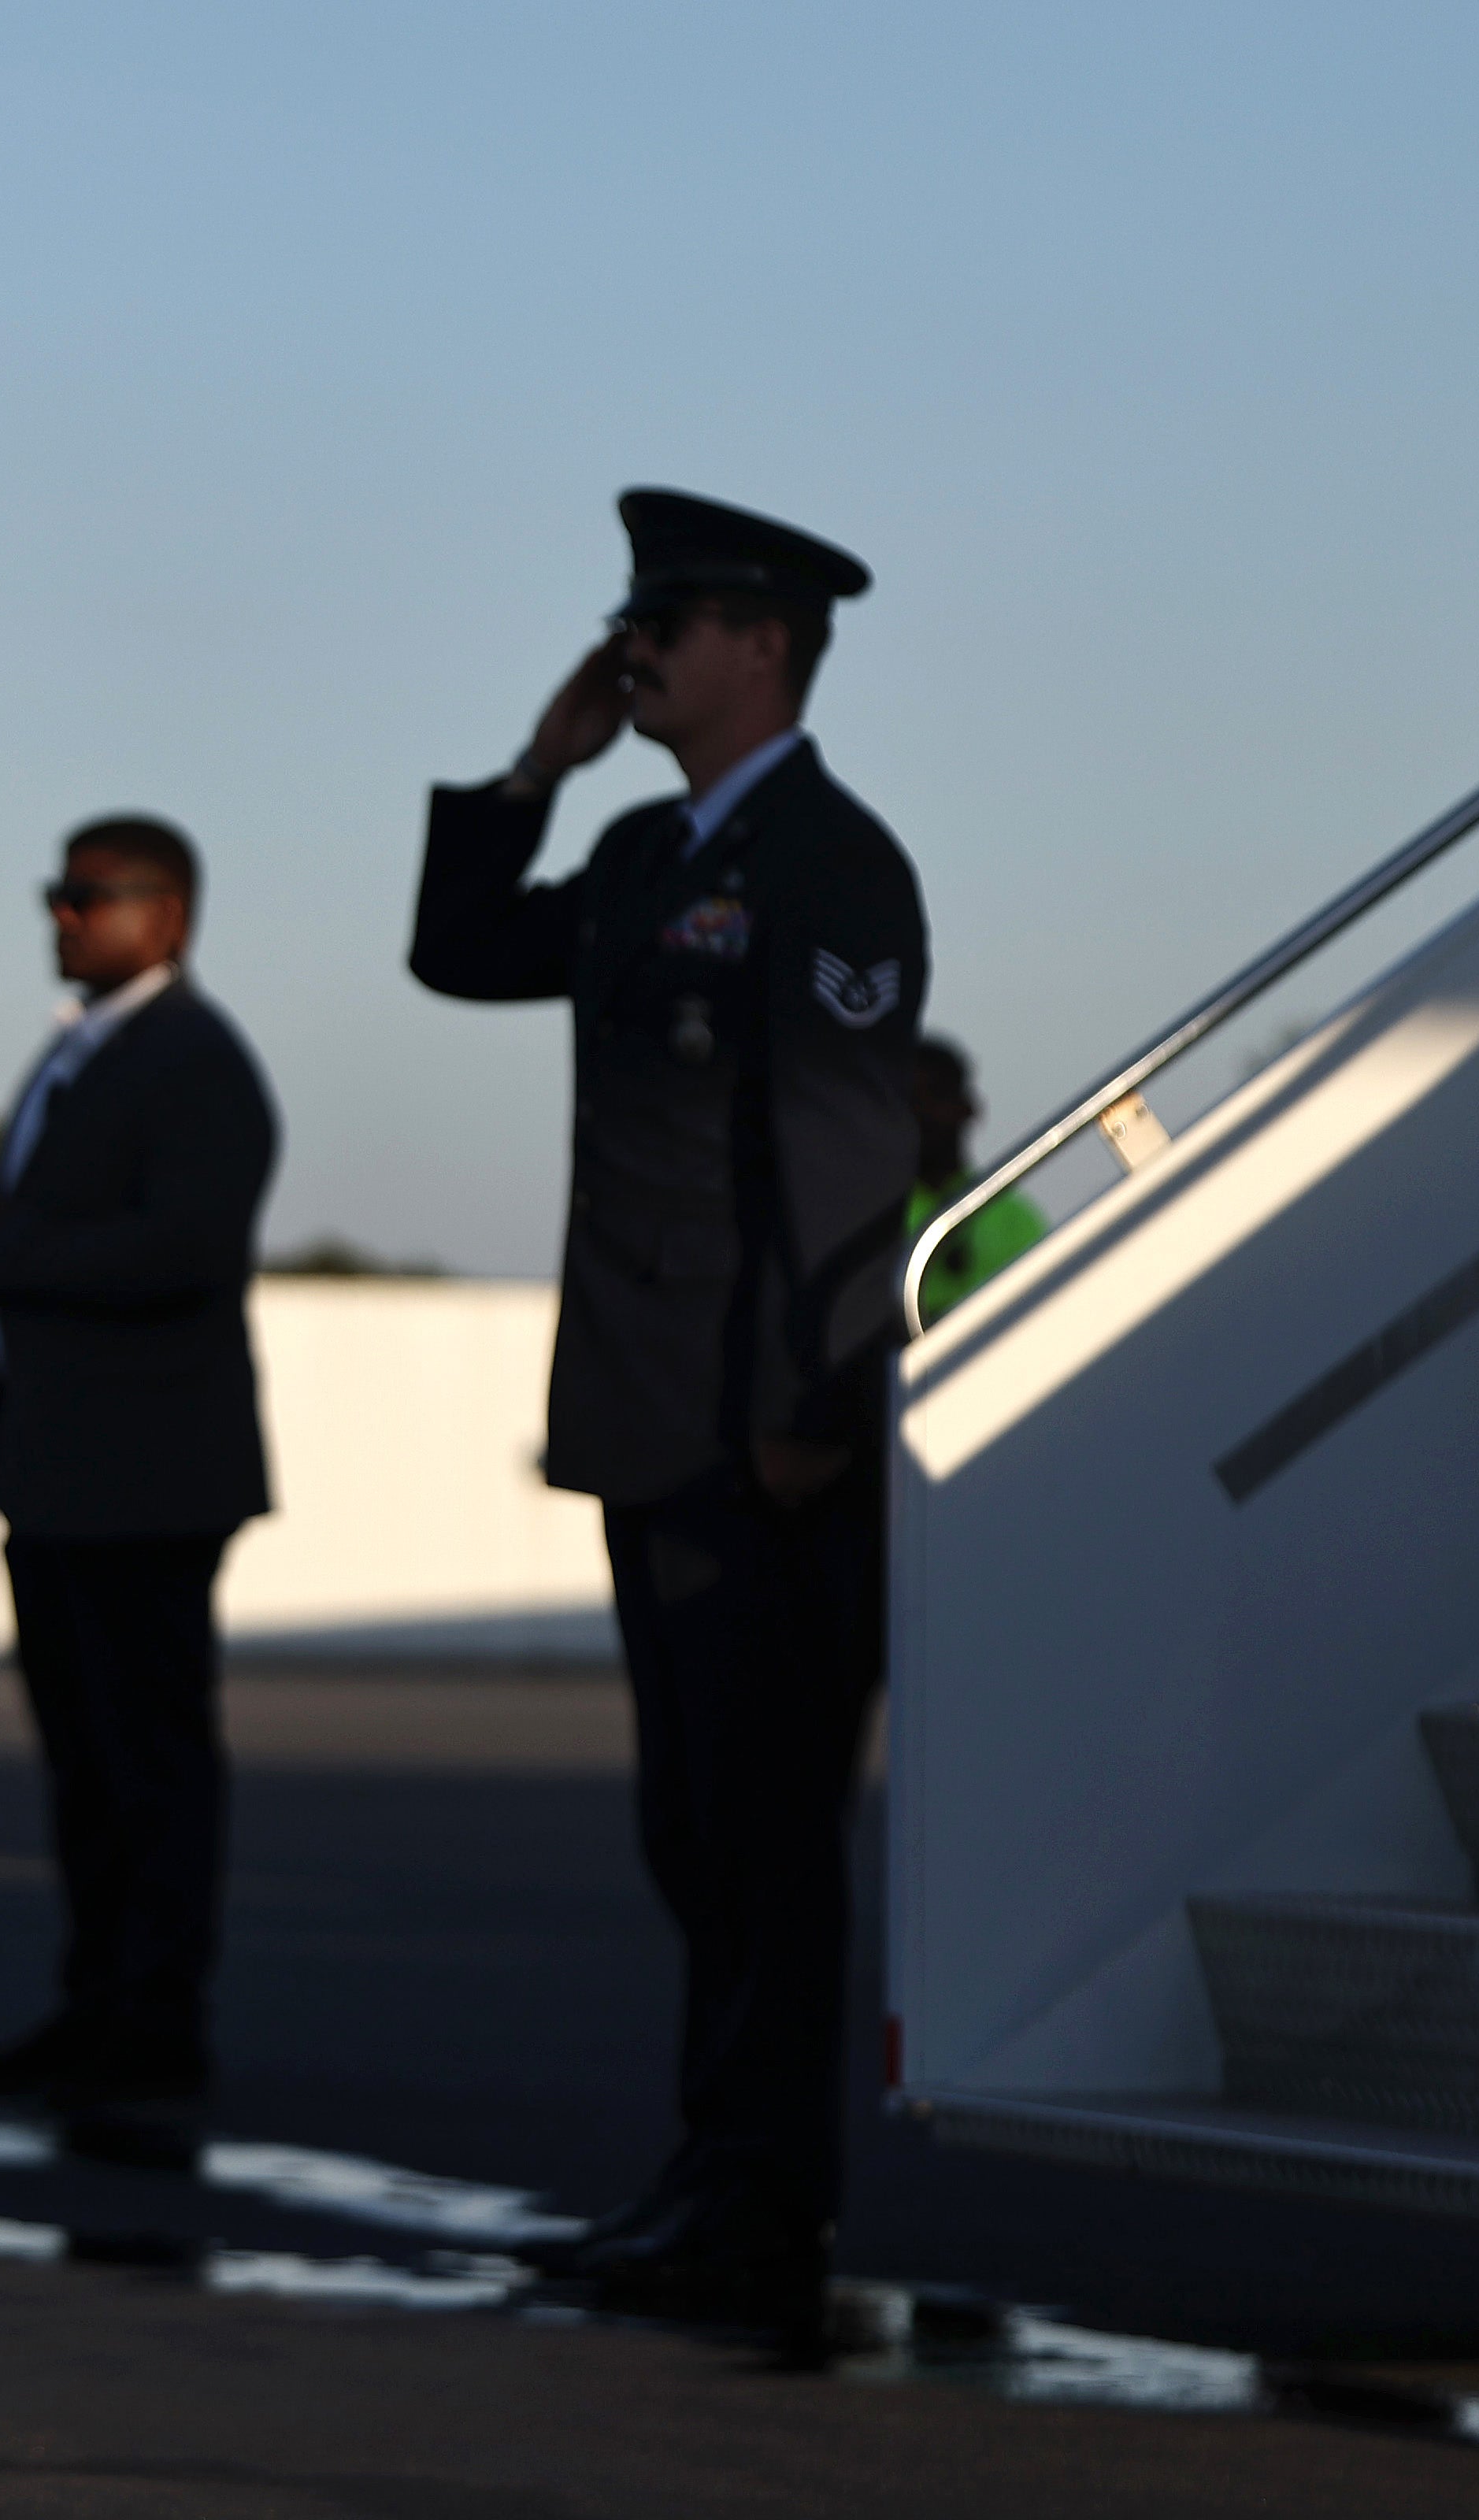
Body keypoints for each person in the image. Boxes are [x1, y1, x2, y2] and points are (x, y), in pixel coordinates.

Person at [409, 489, 924, 2330]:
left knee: (766, 1831)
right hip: (648, 1411)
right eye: (630, 618)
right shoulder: (640, 848)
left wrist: (809, 1398)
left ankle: (764, 2200)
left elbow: (847, 1152)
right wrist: (532, 769)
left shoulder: (829, 861)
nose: (635, 647)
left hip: (755, 1424)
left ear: (763, 646)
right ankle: (707, 2169)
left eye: (669, 622)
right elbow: (458, 949)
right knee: (690, 1823)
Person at [0, 816, 276, 2159]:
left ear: (169, 915)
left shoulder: (193, 1058)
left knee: (149, 1761)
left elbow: (187, 1245)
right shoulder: (87, 1050)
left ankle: (153, 2023)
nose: (63, 918)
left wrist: (8, 1250)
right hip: (62, 1471)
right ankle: (94, 2008)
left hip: (147, 1474)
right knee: (87, 1764)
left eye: (88, 897)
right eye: (58, 895)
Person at [903, 1035, 1046, 1326]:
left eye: (936, 1095)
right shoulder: (871, 1217)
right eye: (910, 1100)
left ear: (968, 1108)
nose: (925, 1113)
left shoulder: (1014, 1217)